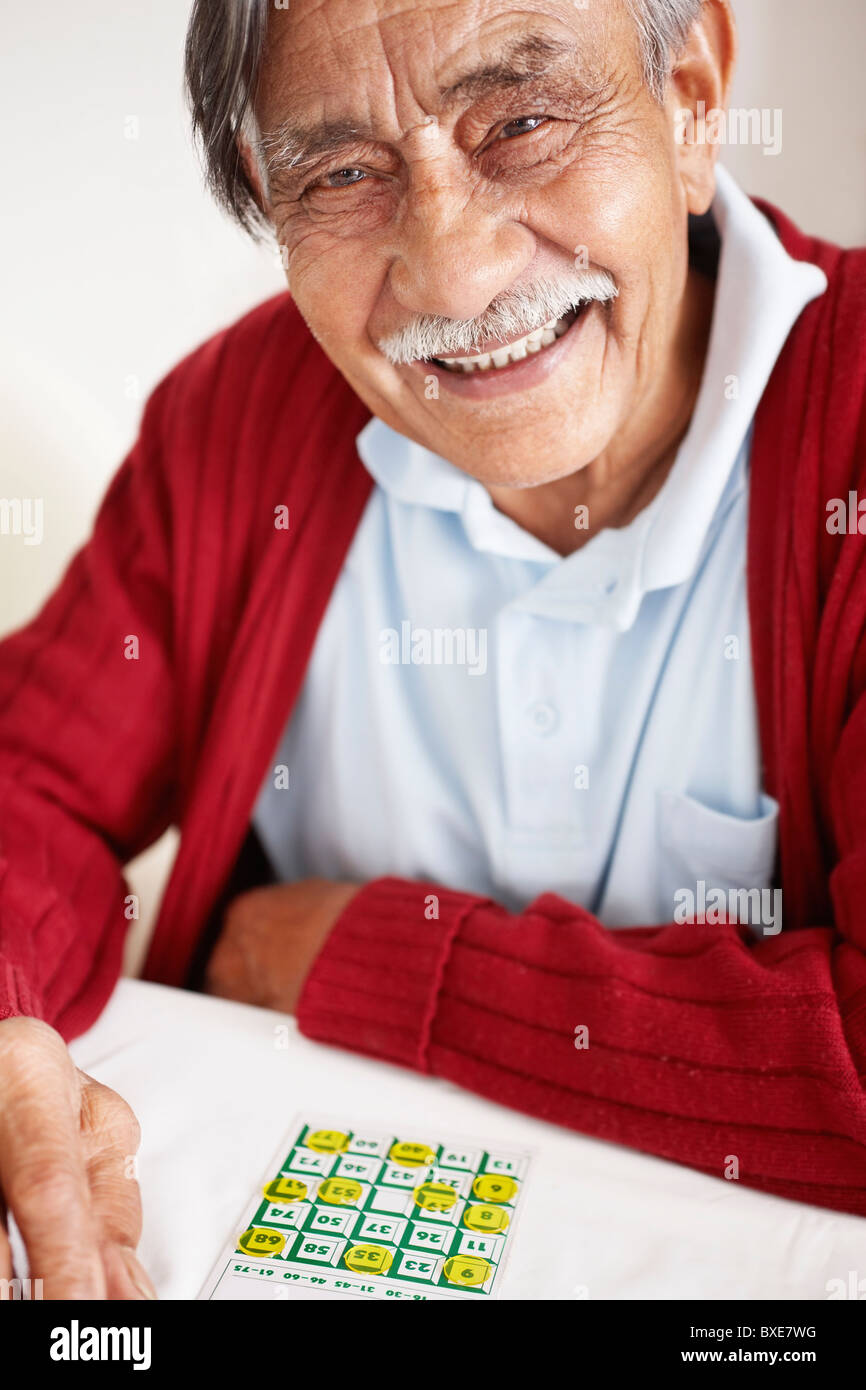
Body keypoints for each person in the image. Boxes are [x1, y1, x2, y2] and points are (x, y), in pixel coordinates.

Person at [1, 0, 865, 1301]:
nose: (450, 274)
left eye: (519, 120)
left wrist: (358, 953)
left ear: (690, 103)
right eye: (341, 173)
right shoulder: (234, 419)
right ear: (265, 196)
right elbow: (29, 784)